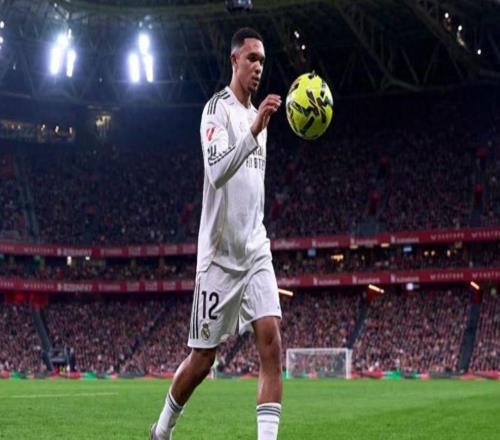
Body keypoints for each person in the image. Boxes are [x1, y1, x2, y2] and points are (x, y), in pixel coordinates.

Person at [150, 27, 283, 440]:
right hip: (219, 259)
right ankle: (162, 429)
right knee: (202, 359)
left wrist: (258, 126)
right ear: (234, 60)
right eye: (252, 58)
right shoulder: (216, 111)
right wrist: (254, 129)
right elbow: (218, 171)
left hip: (255, 248)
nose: (258, 67)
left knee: (271, 343)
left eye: (262, 60)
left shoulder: (260, 120)